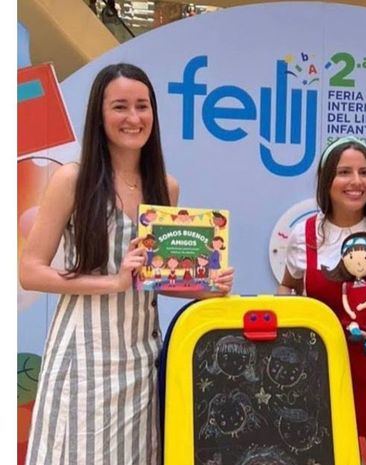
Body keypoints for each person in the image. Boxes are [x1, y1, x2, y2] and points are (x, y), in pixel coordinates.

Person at [19, 63, 234, 465]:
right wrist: (111, 283)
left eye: (142, 106)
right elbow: (30, 271)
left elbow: (154, 278)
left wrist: (206, 285)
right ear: (99, 115)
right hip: (82, 357)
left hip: (141, 358)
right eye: (120, 107)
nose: (133, 118)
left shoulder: (165, 186)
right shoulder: (73, 179)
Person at [277, 136, 366, 465]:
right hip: (322, 371)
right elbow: (287, 287)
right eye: (344, 172)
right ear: (327, 180)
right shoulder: (305, 234)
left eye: (364, 172)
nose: (356, 181)